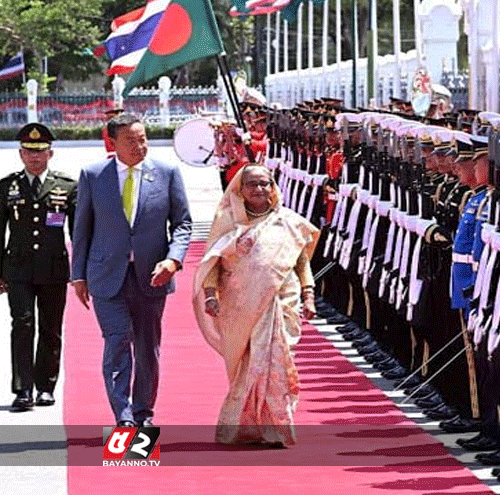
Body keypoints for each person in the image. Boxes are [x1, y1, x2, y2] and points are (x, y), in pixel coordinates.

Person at [71, 113, 192, 427]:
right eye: (131, 140)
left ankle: (143, 413)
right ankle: (124, 416)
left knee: (147, 347)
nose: (140, 146)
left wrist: (173, 260)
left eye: (143, 138)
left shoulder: (166, 173)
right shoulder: (93, 174)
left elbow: (182, 224)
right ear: (113, 143)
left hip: (152, 277)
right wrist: (79, 274)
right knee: (118, 340)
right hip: (106, 277)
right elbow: (81, 229)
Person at [193, 164, 319, 447]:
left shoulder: (289, 221)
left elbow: (301, 262)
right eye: (252, 184)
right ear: (240, 188)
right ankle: (243, 429)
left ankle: (276, 429)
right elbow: (213, 262)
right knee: (249, 366)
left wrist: (308, 294)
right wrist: (211, 295)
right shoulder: (227, 220)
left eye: (265, 183)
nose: (259, 189)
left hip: (281, 302)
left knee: (276, 363)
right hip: (240, 305)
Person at [0, 123, 77, 411]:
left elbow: (78, 232)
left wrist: (81, 270)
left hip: (53, 268)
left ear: (51, 153)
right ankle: (22, 389)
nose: (35, 158)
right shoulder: (7, 187)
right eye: (29, 152)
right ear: (20, 154)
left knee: (50, 327)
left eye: (41, 152)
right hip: (17, 268)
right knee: (21, 325)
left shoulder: (66, 186)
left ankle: (45, 386)